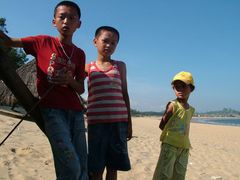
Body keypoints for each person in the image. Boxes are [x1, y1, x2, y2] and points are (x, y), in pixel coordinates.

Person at [0, 1, 88, 179]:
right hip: (52, 111)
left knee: (82, 165)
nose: (66, 21)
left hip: (76, 113)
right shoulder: (42, 42)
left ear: (79, 24)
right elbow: (9, 42)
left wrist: (69, 80)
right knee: (70, 165)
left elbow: (80, 89)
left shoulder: (79, 54)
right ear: (53, 21)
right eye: (62, 17)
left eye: (72, 18)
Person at [85, 26, 132, 180]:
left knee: (113, 167)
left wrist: (129, 124)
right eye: (105, 41)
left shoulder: (120, 66)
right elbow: (78, 88)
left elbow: (124, 94)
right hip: (96, 124)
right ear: (95, 41)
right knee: (96, 168)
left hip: (118, 123)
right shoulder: (88, 67)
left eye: (113, 43)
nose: (109, 46)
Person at [152, 71, 195, 180]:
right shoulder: (172, 105)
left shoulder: (191, 109)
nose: (180, 90)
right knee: (164, 174)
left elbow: (187, 127)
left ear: (191, 88)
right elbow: (162, 125)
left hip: (184, 147)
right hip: (169, 146)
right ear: (173, 89)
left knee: (179, 175)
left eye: (183, 87)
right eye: (177, 87)